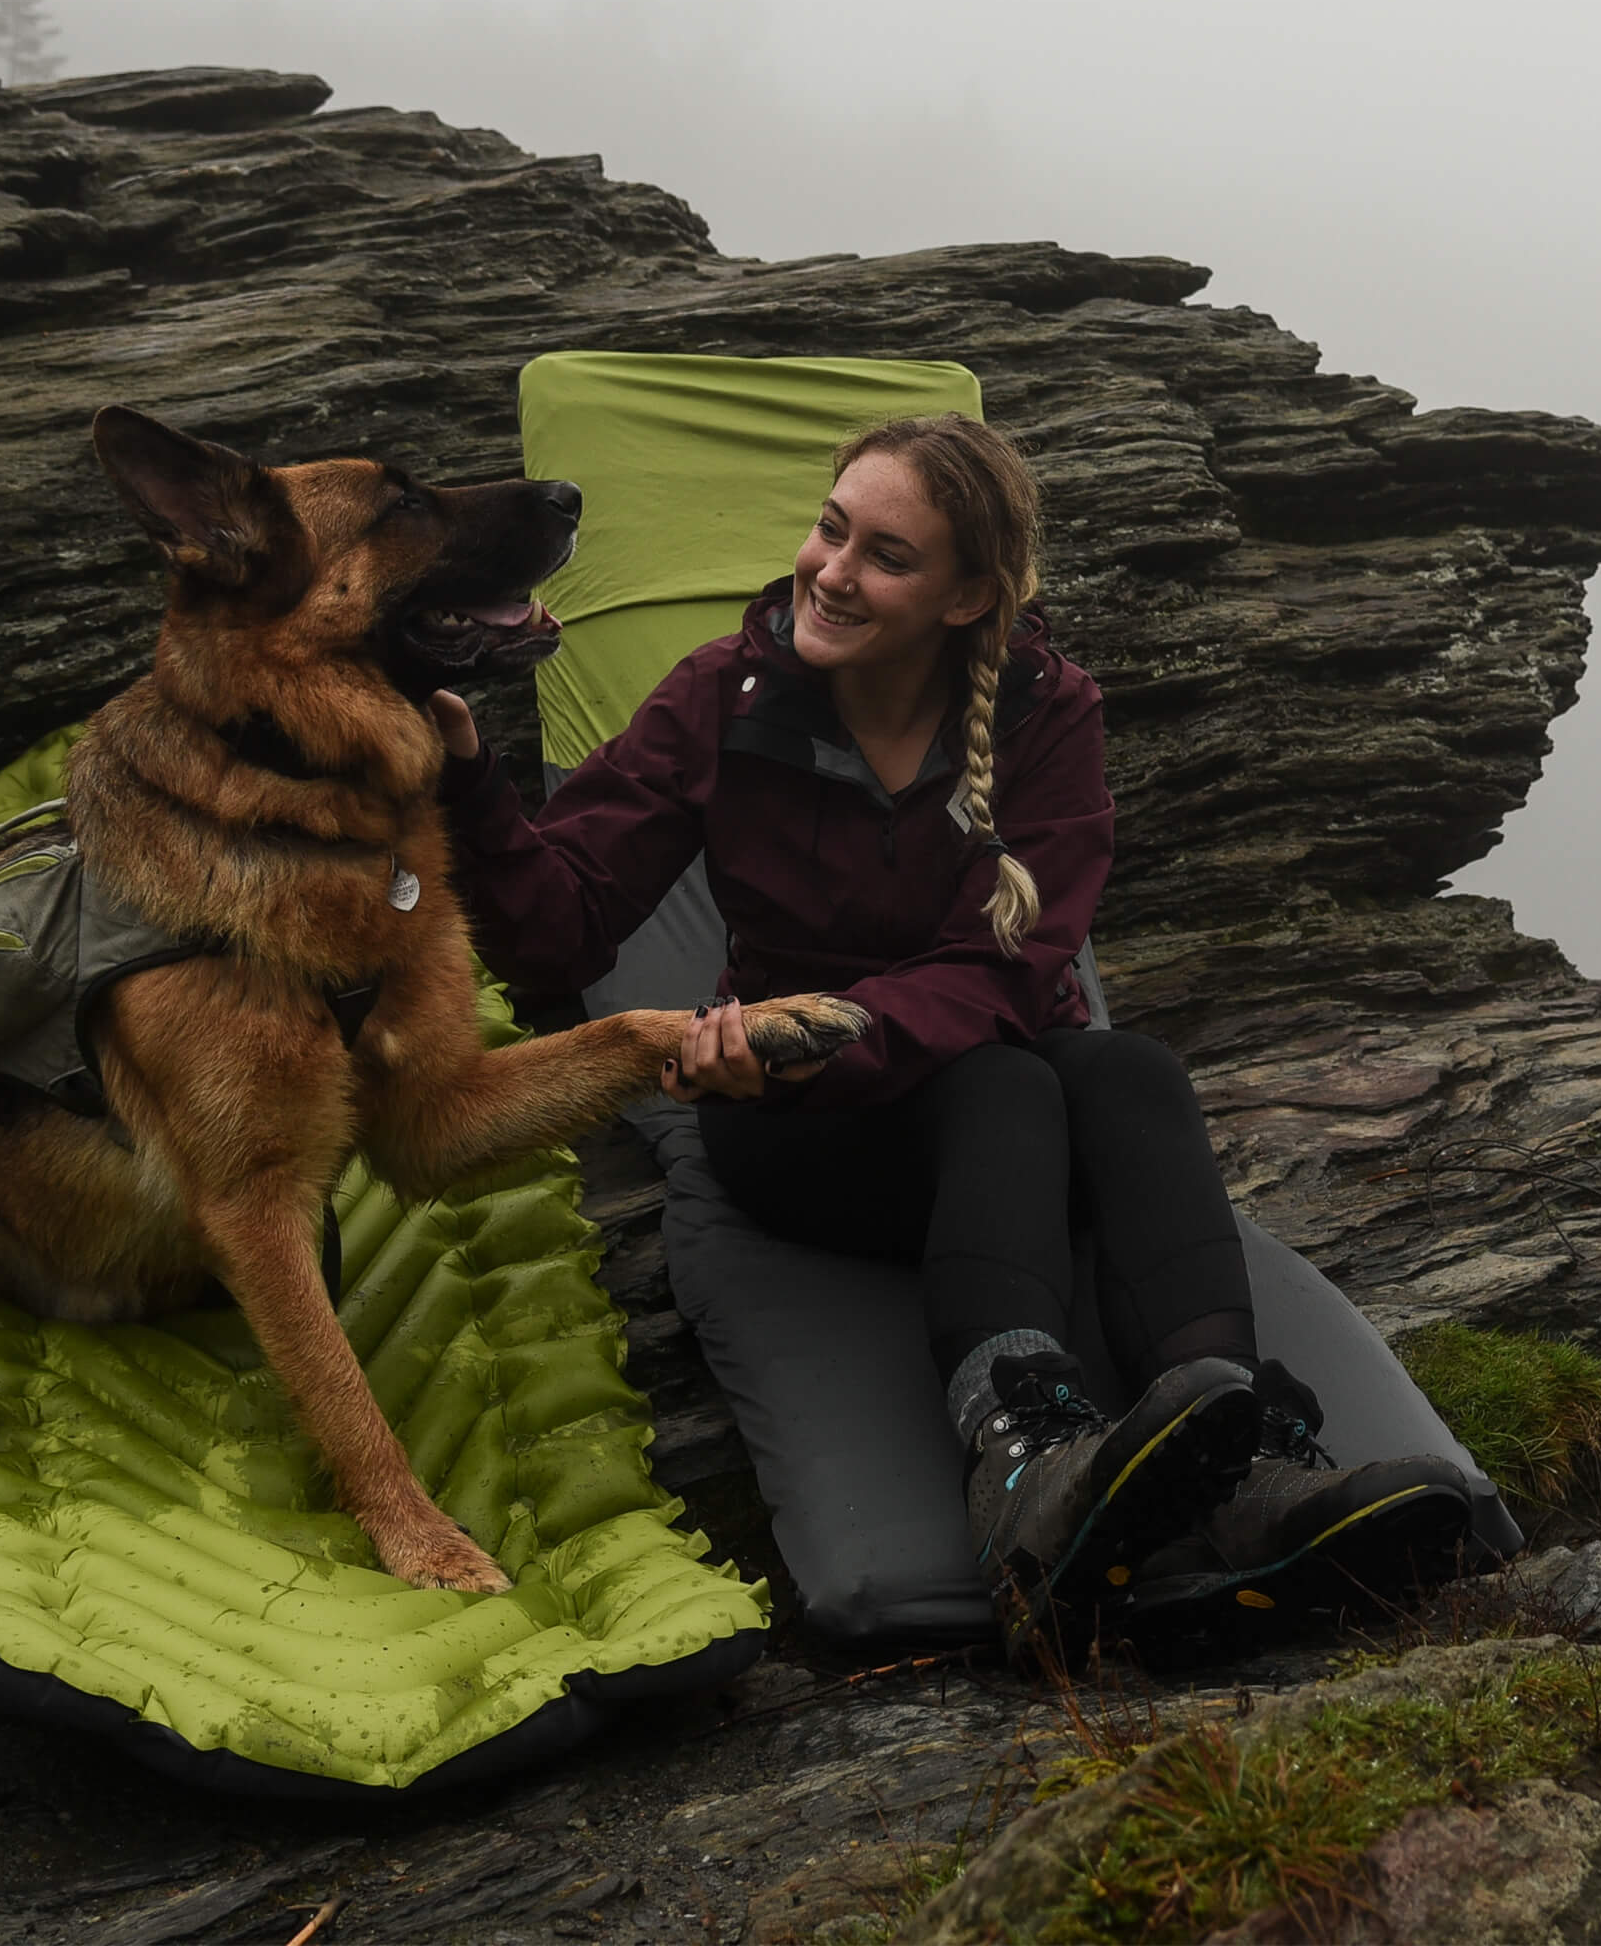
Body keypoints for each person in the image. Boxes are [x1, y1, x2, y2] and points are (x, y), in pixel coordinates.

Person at [429, 413, 1472, 1658]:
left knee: (1127, 1069)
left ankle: (1248, 1465)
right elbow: (560, 932)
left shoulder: (1046, 714)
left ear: (968, 594)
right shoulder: (724, 694)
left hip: (964, 1084)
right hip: (796, 1127)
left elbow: (1007, 966)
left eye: (885, 554)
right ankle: (1027, 1465)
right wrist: (468, 784)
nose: (829, 569)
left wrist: (838, 1025)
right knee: (1001, 1082)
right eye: (829, 528)